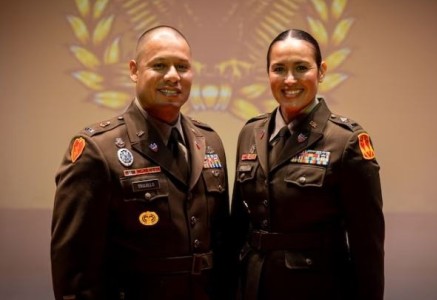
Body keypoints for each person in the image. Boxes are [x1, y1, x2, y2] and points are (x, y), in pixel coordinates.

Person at [51, 25, 232, 300]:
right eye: (159, 65)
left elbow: (221, 244)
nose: (173, 76)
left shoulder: (208, 141)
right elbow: (75, 269)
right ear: (134, 70)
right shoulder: (99, 150)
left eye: (182, 67)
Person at [230, 29, 384, 300]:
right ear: (267, 73)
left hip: (317, 288)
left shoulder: (345, 141)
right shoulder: (251, 133)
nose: (290, 79)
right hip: (254, 286)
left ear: (321, 71)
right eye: (279, 69)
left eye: (301, 68)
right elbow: (237, 228)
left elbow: (367, 246)